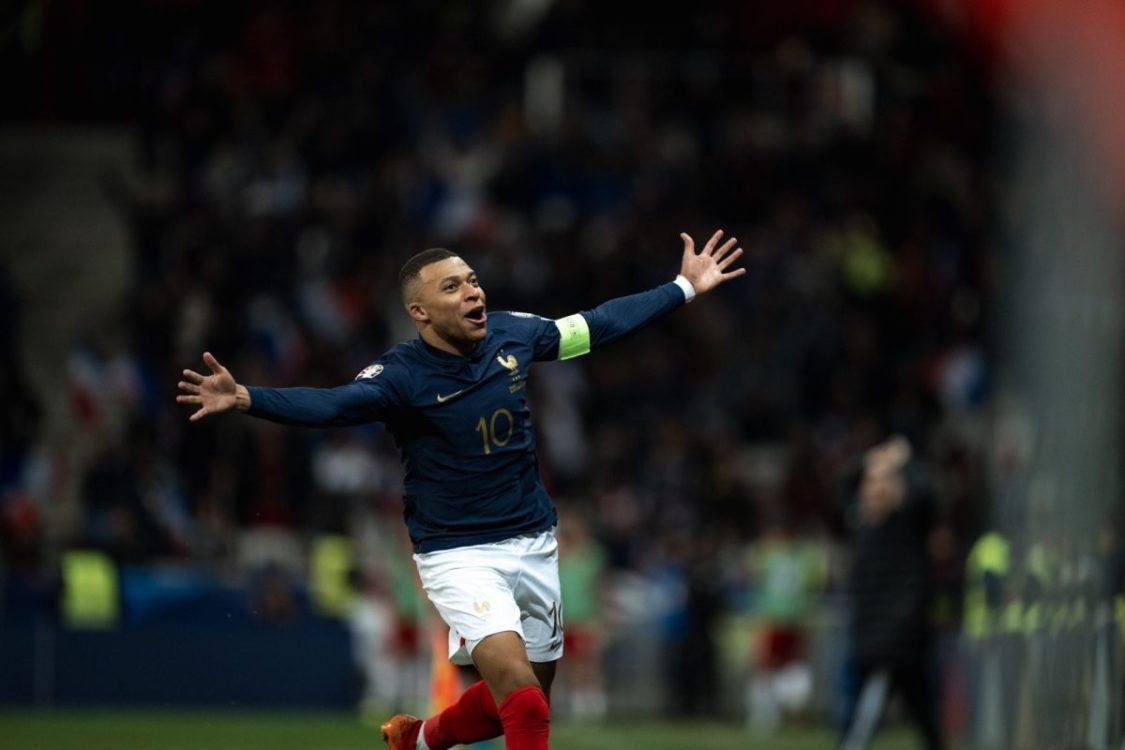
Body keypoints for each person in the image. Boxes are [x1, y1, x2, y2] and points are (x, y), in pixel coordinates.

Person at [177, 230, 745, 750]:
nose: (473, 291)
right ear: (419, 312)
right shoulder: (400, 375)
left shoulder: (515, 334)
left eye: (472, 279)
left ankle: (419, 739)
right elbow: (333, 405)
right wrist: (248, 396)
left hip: (533, 542)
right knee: (524, 700)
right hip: (459, 554)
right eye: (453, 287)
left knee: (520, 703)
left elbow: (597, 326)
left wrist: (683, 287)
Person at [838, 436, 944, 750]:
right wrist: (872, 459)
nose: (875, 491)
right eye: (871, 486)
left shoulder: (907, 526)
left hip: (899, 639)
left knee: (917, 716)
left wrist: (904, 463)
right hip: (879, 641)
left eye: (883, 485)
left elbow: (925, 495)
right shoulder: (862, 525)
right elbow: (844, 485)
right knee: (876, 716)